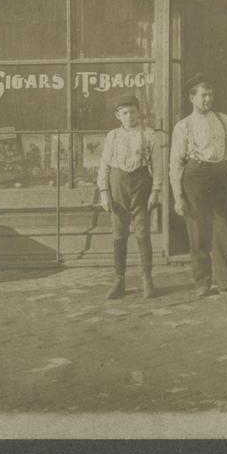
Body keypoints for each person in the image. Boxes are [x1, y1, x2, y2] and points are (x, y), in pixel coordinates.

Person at [169, 74, 227, 299]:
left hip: (220, 174)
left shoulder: (223, 119)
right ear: (192, 98)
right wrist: (178, 196)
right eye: (203, 96)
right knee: (197, 230)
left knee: (223, 230)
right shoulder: (183, 126)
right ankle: (202, 282)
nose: (208, 99)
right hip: (195, 176)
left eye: (210, 95)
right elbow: (175, 163)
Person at [97, 95, 163, 301]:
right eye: (124, 113)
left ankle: (147, 280)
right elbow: (104, 166)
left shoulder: (149, 134)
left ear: (139, 113)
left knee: (142, 233)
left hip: (141, 184)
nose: (129, 116)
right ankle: (119, 281)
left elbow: (158, 166)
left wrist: (155, 191)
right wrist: (103, 193)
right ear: (118, 115)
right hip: (117, 185)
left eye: (133, 112)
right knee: (119, 233)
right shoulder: (113, 136)